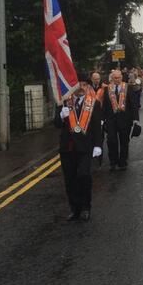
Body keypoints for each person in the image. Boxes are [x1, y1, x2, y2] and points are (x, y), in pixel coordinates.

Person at [54, 73, 102, 221]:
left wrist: (98, 145)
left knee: (83, 176)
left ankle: (86, 207)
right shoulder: (63, 102)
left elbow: (97, 127)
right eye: (78, 85)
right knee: (70, 179)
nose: (81, 88)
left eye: (85, 85)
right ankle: (75, 209)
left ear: (88, 87)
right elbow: (56, 124)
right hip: (67, 148)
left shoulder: (94, 103)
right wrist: (61, 116)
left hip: (85, 147)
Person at [103, 69, 139, 170]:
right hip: (111, 120)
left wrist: (135, 118)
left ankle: (123, 162)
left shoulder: (128, 87)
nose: (117, 79)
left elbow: (133, 103)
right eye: (115, 78)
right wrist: (102, 119)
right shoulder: (107, 89)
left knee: (124, 142)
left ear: (121, 77)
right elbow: (104, 105)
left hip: (125, 119)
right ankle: (113, 162)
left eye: (118, 77)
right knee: (111, 141)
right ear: (112, 78)